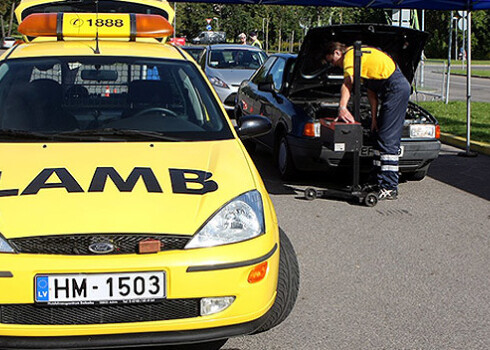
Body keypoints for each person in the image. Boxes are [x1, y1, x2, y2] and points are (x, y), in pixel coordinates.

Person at [323, 41, 410, 200]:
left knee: (387, 139)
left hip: (396, 88)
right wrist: (374, 118)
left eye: (331, 61)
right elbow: (371, 92)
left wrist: (342, 107)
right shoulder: (360, 58)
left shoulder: (350, 55)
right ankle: (376, 180)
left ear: (337, 53)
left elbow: (348, 82)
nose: (333, 65)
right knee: (378, 136)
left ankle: (389, 187)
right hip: (389, 90)